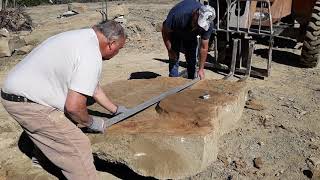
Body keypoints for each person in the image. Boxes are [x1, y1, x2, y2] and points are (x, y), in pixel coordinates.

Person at [1, 20, 128, 180]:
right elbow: (74, 107)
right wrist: (91, 122)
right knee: (78, 145)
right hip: (26, 102)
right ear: (111, 44)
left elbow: (92, 87)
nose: (118, 53)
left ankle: (44, 159)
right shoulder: (90, 54)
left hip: (17, 91)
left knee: (62, 123)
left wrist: (115, 110)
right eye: (119, 49)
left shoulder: (81, 37)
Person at [162, 0, 215, 79]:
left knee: (191, 58)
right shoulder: (178, 16)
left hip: (191, 35)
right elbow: (165, 30)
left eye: (201, 26)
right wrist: (170, 49)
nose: (199, 26)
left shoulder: (208, 24)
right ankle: (173, 80)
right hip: (175, 32)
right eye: (198, 23)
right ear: (195, 14)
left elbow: (204, 47)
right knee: (174, 57)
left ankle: (190, 78)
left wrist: (201, 69)